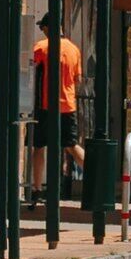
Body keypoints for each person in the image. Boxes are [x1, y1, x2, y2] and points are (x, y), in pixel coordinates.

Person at [31, 13, 85, 202]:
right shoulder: (74, 49)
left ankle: (37, 188)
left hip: (45, 105)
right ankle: (95, 178)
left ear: (46, 28)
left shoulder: (41, 47)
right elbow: (77, 78)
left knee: (38, 146)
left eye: (42, 28)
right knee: (71, 145)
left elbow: (29, 71)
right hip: (68, 104)